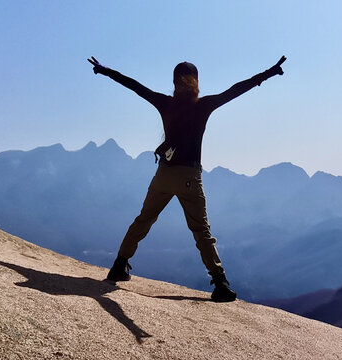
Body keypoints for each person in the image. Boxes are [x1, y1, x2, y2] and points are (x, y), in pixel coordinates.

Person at [87, 55, 286, 302]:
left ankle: (119, 265)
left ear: (174, 82)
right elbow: (237, 89)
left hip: (164, 174)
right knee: (201, 229)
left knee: (144, 219)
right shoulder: (203, 106)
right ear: (196, 83)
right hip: (189, 177)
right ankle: (220, 282)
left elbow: (135, 86)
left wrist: (106, 71)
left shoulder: (165, 104)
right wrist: (269, 72)